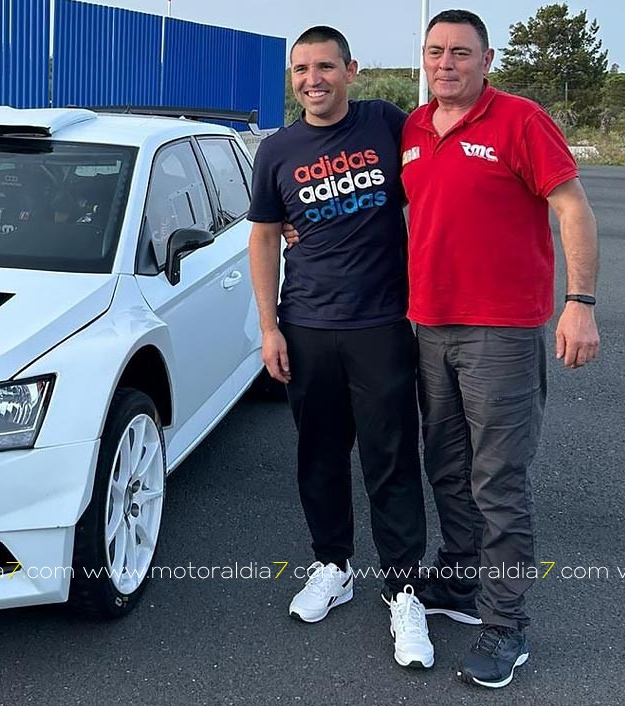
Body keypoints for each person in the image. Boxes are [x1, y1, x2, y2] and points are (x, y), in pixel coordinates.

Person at [401, 9, 601, 689]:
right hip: (430, 326)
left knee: (499, 484)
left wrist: (580, 303)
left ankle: (506, 625)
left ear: (487, 60)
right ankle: (459, 579)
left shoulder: (519, 120)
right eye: (435, 51)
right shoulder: (415, 128)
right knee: (447, 467)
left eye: (461, 52)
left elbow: (572, 208)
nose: (446, 63)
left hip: (502, 333)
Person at [247, 26, 434, 669]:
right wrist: (270, 326)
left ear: (351, 71)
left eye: (326, 66)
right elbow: (265, 238)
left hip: (381, 324)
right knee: (319, 456)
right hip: (306, 326)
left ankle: (405, 592)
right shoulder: (277, 150)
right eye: (302, 69)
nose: (313, 79)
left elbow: (438, 182)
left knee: (391, 460)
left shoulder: (387, 123)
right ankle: (333, 565)